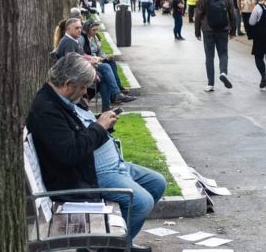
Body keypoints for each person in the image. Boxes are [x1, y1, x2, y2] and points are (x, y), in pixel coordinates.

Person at [27, 54, 164, 252]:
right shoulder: (48, 109)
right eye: (82, 87)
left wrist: (102, 124)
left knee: (157, 182)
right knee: (142, 202)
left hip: (108, 167)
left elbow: (78, 132)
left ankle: (121, 243)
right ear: (67, 83)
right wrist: (99, 127)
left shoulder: (61, 99)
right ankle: (110, 247)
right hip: (87, 174)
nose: (84, 93)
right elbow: (71, 152)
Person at [55, 18, 134, 111]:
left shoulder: (72, 40)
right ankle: (115, 95)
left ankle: (108, 106)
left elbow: (81, 55)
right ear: (68, 29)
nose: (79, 30)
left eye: (80, 28)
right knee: (105, 68)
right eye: (76, 28)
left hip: (79, 71)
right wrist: (89, 63)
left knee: (105, 72)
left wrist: (92, 59)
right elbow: (71, 62)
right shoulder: (68, 42)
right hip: (72, 75)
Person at [194, 0, 236, 92]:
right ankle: (223, 72)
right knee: (223, 53)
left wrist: (197, 31)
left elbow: (198, 14)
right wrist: (233, 30)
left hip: (208, 30)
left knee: (209, 56)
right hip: (223, 29)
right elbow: (232, 13)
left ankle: (210, 83)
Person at [82, 20, 129, 94]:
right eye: (94, 30)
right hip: (90, 62)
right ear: (87, 29)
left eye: (97, 30)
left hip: (97, 59)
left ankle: (118, 87)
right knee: (106, 67)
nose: (96, 32)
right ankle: (116, 93)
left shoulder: (94, 37)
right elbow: (83, 55)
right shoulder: (82, 39)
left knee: (111, 62)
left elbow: (99, 50)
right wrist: (96, 58)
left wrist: (105, 56)